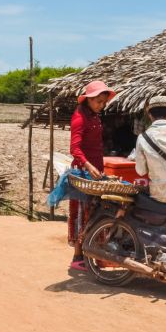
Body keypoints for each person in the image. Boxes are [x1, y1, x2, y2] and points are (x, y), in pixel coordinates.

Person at [68, 80, 115, 271]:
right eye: (98, 101)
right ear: (88, 99)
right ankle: (77, 257)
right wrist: (87, 165)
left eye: (103, 102)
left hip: (96, 171)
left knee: (94, 212)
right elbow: (75, 148)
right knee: (81, 213)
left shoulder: (95, 117)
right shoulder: (79, 117)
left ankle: (93, 253)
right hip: (82, 172)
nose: (101, 105)